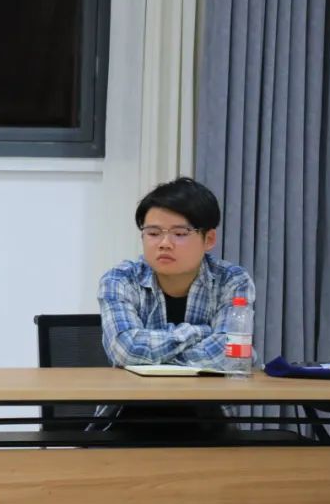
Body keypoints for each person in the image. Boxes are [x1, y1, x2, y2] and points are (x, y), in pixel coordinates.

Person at [96, 177, 255, 436]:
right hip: (129, 415)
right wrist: (201, 332)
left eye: (179, 234)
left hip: (209, 415)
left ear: (209, 239)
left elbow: (230, 354)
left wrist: (151, 364)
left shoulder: (232, 280)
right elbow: (126, 350)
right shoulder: (120, 279)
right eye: (153, 233)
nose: (164, 243)